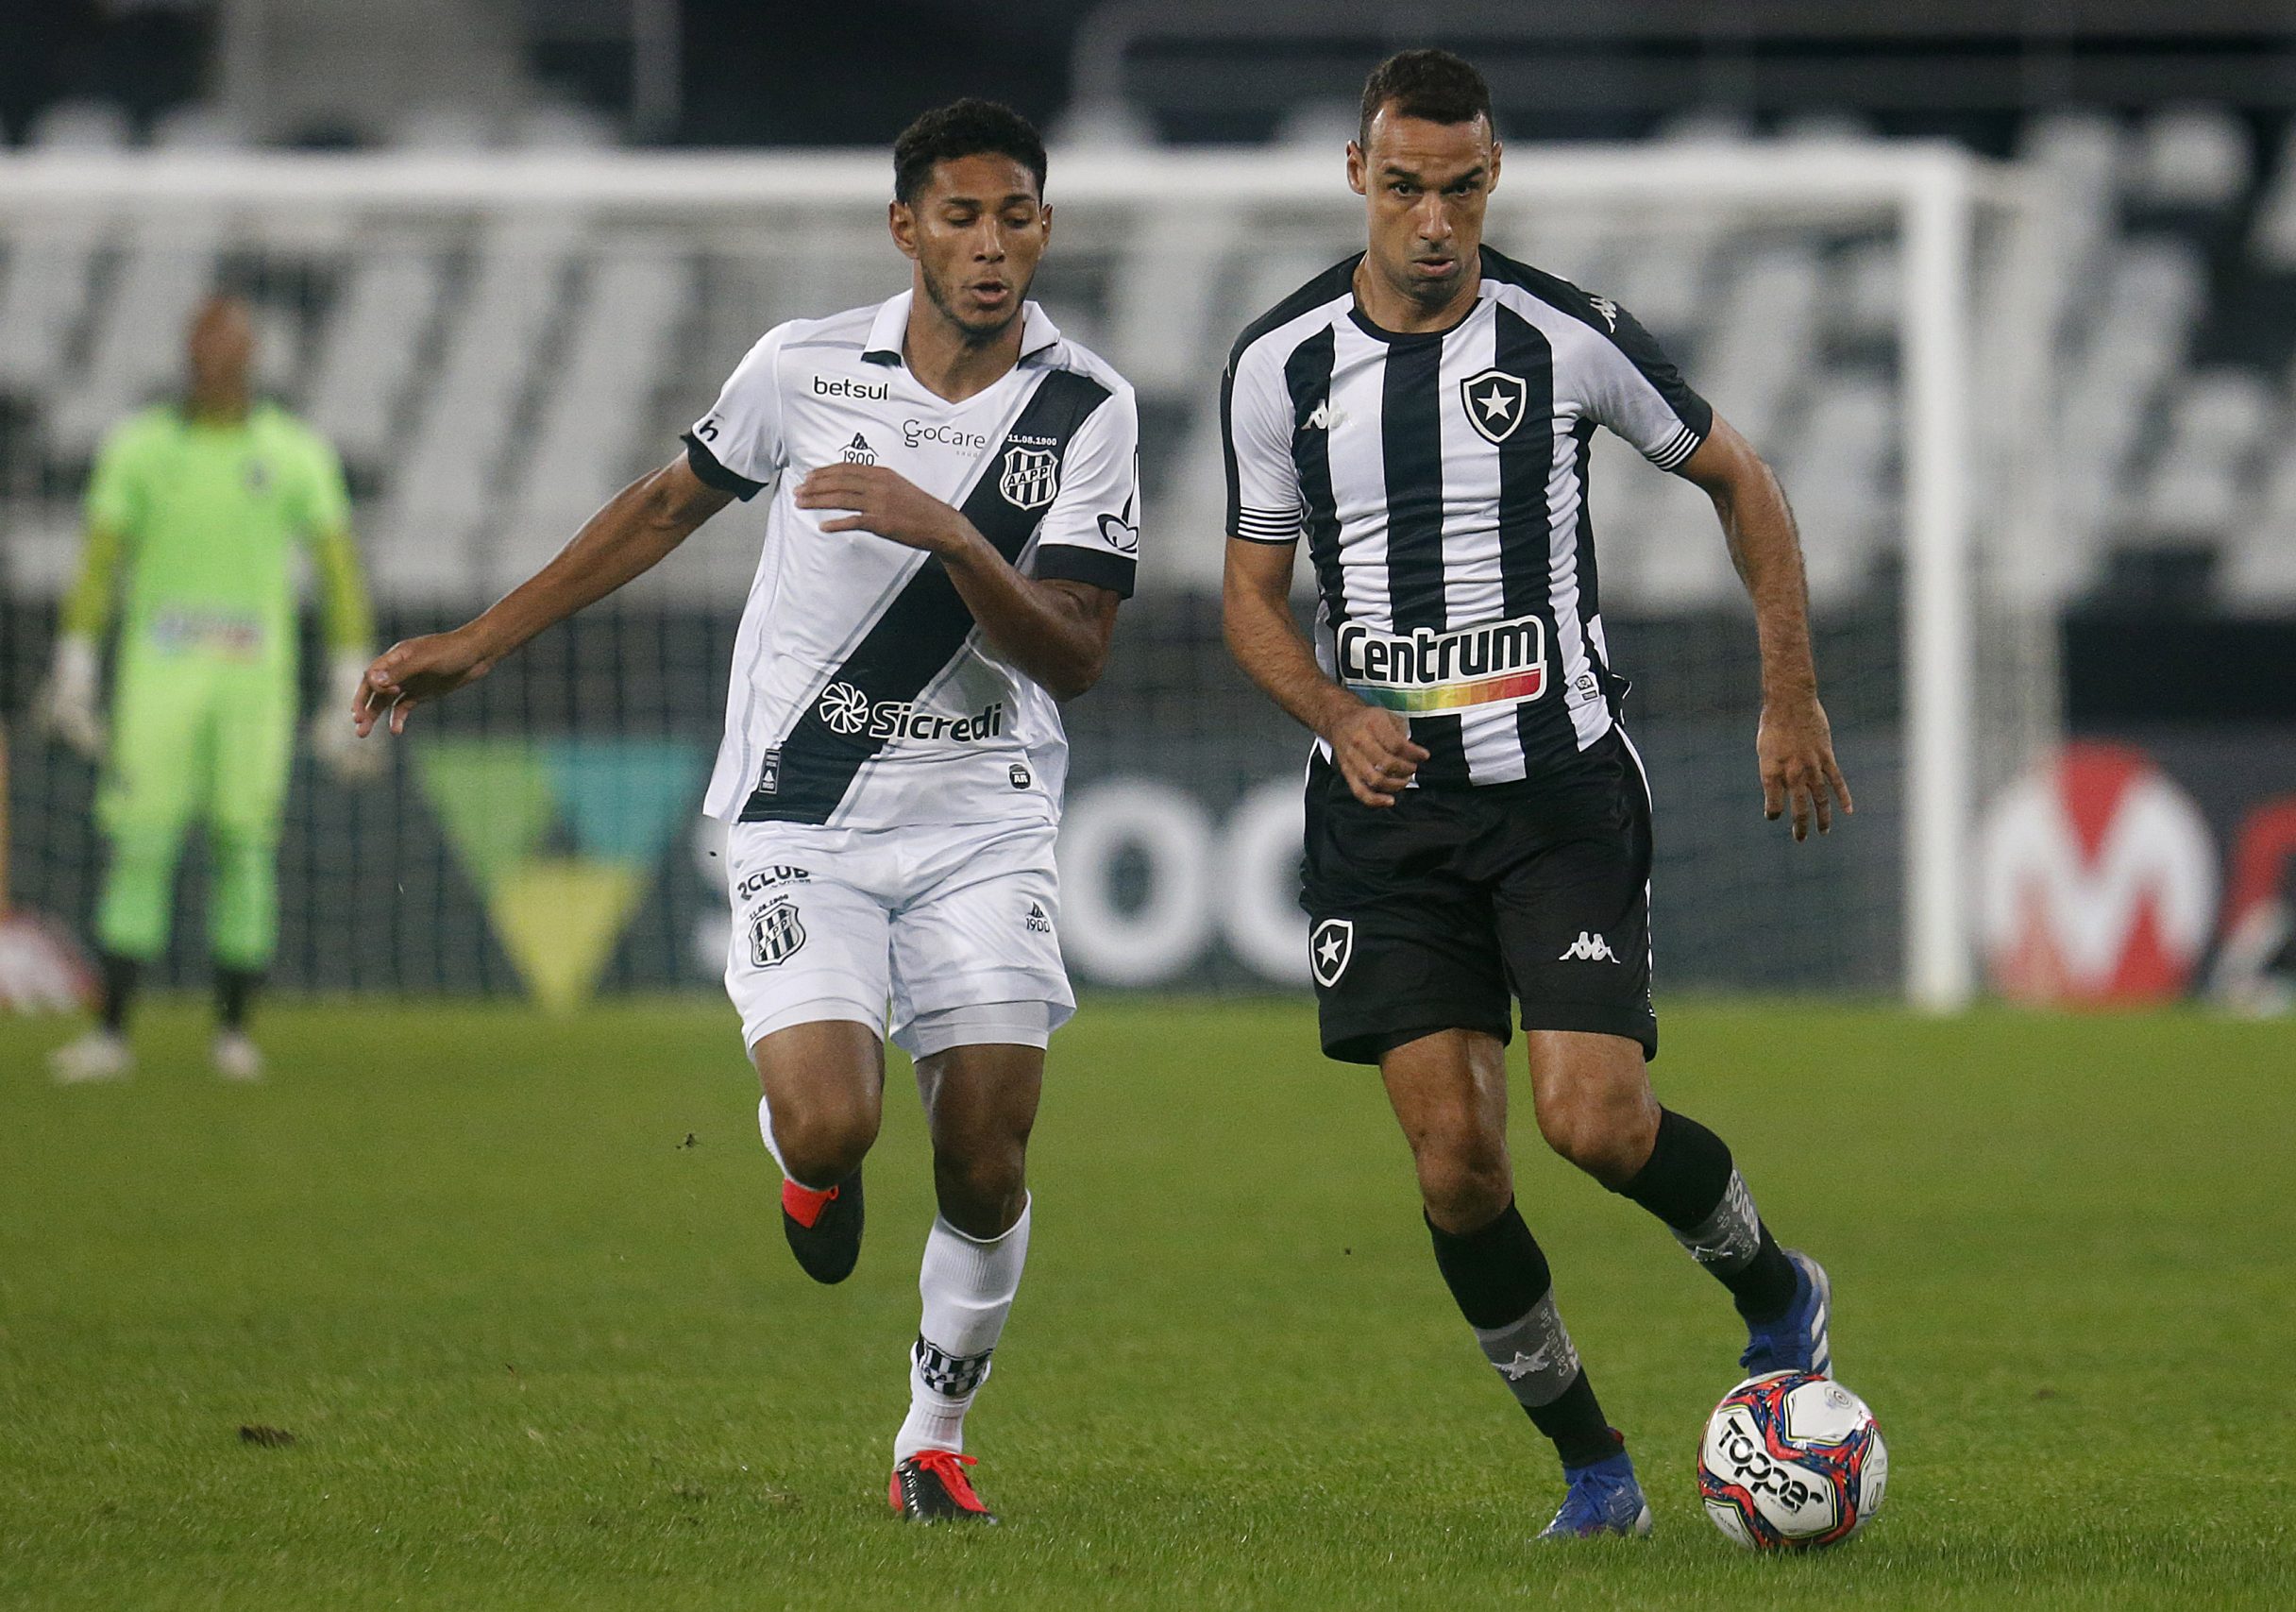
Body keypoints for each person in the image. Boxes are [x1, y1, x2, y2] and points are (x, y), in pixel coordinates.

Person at [354, 100, 1140, 1525]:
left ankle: (933, 1436)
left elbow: (1076, 654)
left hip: (984, 815)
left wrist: (951, 532)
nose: (989, 245)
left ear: (1045, 228)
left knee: (986, 1155)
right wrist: (478, 640)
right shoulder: (801, 366)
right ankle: (807, 1166)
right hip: (805, 804)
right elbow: (668, 505)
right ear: (905, 230)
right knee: (834, 1122)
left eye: (1014, 216)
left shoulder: (1088, 408)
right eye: (959, 217)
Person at [1220, 50, 1852, 1541]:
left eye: (1464, 187)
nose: (1436, 220)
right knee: (1456, 1166)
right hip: (1383, 821)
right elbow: (1249, 595)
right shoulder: (1279, 362)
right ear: (1358, 176)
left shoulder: (1564, 334)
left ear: (1492, 176)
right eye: (1405, 187)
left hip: (1557, 793)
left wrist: (1790, 688)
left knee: (1595, 1121)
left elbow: (1743, 479)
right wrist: (1335, 711)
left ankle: (1779, 1286)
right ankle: (1594, 1466)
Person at [40, 293, 377, 1083]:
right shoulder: (138, 447)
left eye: (231, 344)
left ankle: (233, 1034)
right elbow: (99, 560)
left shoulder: (294, 451)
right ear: (189, 354)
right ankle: (112, 1033)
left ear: (252, 356)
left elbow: (337, 567)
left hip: (253, 687)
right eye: (206, 344)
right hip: (156, 681)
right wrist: (74, 665)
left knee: (244, 842)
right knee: (140, 841)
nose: (218, 358)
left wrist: (347, 680)